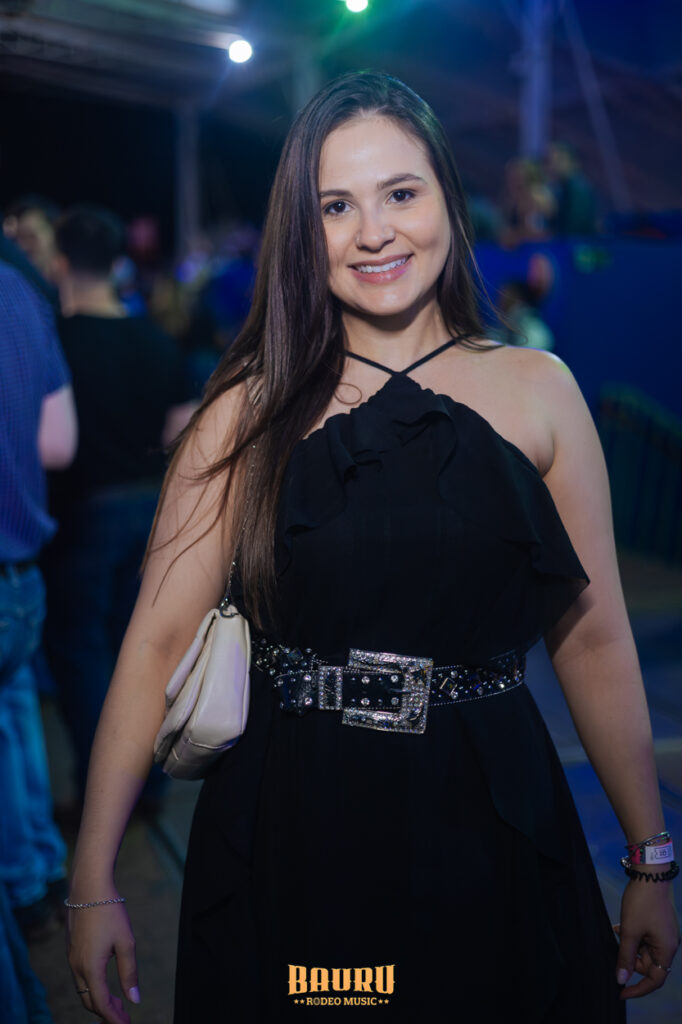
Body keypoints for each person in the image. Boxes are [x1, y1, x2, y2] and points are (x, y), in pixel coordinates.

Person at [65, 71, 679, 1023]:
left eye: (400, 192)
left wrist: (651, 858)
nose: (374, 232)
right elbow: (153, 645)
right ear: (301, 233)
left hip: (491, 824)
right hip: (297, 828)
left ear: (448, 201)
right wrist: (93, 880)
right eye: (335, 206)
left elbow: (594, 641)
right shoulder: (248, 411)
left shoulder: (540, 391)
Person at [41, 205, 196, 817]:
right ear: (118, 264)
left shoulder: (56, 342)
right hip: (149, 508)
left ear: (59, 264)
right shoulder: (154, 340)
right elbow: (181, 433)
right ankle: (150, 786)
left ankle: (105, 795)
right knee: (142, 653)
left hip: (82, 514)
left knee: (81, 658)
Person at [0, 255, 76, 963]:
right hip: (22, 570)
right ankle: (44, 864)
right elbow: (58, 444)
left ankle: (24, 884)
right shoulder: (20, 291)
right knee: (18, 720)